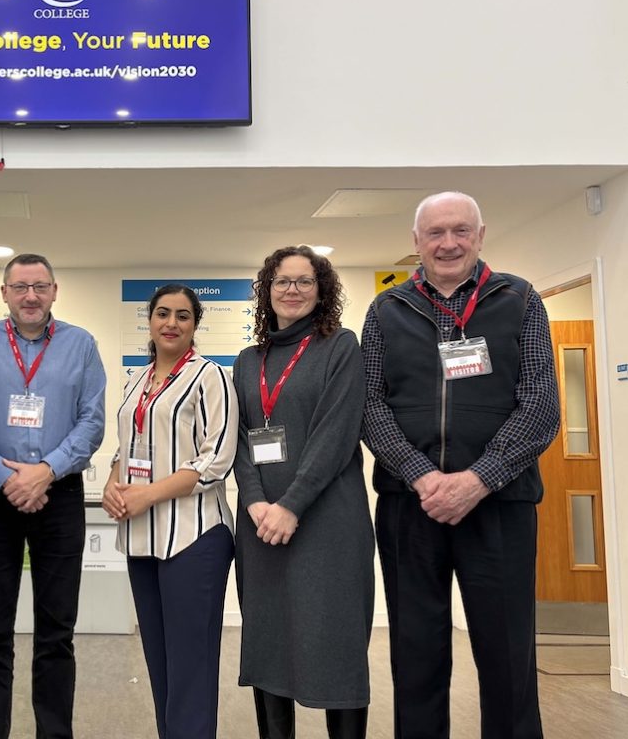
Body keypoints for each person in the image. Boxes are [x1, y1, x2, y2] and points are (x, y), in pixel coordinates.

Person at [362, 192, 560, 738]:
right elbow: (370, 404)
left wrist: (479, 479)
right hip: (410, 506)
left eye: (461, 231)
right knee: (416, 654)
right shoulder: (386, 309)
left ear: (480, 234)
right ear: (416, 242)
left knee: (507, 656)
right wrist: (422, 475)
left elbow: (541, 405)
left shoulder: (519, 300)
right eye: (436, 233)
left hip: (501, 505)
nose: (448, 243)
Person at [0, 253, 106, 739]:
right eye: (20, 286)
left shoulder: (81, 345)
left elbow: (92, 422)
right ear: (4, 293)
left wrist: (45, 472)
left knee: (56, 632)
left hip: (59, 497)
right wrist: (9, 480)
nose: (30, 296)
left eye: (40, 286)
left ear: (54, 291)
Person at [232, 246, 374, 739]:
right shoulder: (248, 361)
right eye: (281, 282)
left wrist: (290, 505)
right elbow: (239, 442)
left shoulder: (341, 347)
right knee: (269, 645)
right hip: (259, 529)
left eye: (303, 281)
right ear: (267, 292)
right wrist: (255, 503)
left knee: (335, 645)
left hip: (328, 524)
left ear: (322, 291)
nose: (291, 290)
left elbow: (336, 435)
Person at [102, 283, 237, 739]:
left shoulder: (211, 376)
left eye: (183, 315)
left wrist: (148, 494)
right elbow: (128, 446)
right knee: (160, 663)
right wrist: (112, 483)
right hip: (141, 537)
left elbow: (214, 461)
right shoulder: (136, 381)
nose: (171, 323)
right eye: (163, 313)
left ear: (195, 324)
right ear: (150, 320)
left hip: (194, 538)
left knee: (191, 666)